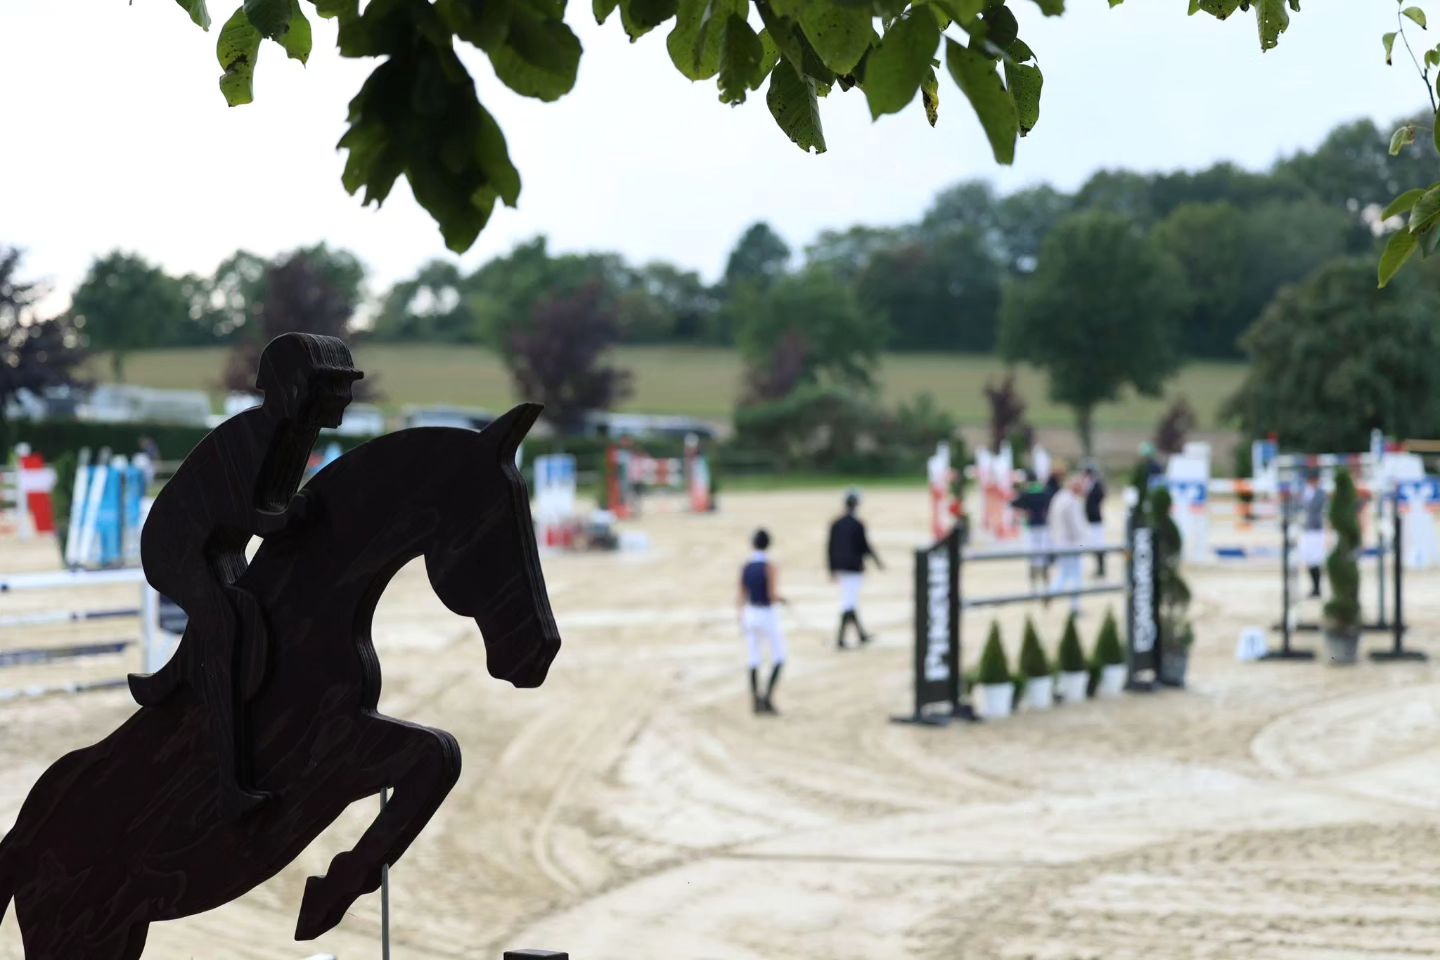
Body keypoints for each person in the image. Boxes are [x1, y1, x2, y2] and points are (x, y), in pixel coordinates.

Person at [126, 333, 362, 820]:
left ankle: (174, 678)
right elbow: (254, 514)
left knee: (252, 607)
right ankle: (229, 780)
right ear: (292, 389)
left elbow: (272, 506)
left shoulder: (296, 433)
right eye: (328, 389)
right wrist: (290, 515)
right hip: (175, 548)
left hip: (217, 543)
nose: (338, 401)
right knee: (227, 625)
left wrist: (295, 513)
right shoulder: (257, 434)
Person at [828, 489, 883, 649]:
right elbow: (865, 546)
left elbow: (830, 547)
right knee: (849, 602)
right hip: (853, 568)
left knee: (850, 600)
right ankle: (840, 638)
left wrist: (832, 568)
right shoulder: (857, 524)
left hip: (840, 567)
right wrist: (877, 562)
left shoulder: (836, 523)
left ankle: (861, 635)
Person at [739, 529, 786, 714]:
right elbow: (772, 595)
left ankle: (755, 700)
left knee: (754, 657)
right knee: (778, 656)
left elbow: (741, 595)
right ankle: (767, 697)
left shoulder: (746, 567)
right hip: (766, 614)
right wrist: (782, 600)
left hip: (750, 613)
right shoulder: (770, 567)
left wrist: (740, 618)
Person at [1048, 468, 1089, 614]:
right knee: (1076, 576)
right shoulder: (1071, 501)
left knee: (1065, 574)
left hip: (1059, 543)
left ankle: (1050, 593)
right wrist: (1083, 544)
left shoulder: (1059, 497)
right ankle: (1075, 607)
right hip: (1071, 545)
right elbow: (1076, 527)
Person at [1010, 470, 1054, 593]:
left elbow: (1013, 504)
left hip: (1031, 528)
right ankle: (1046, 585)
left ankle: (1033, 586)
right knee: (1044, 557)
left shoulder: (1025, 493)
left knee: (1032, 557)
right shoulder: (1045, 491)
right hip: (1044, 527)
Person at [1299, 470, 1328, 598]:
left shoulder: (1320, 493)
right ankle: (1314, 587)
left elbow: (1315, 508)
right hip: (1307, 529)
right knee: (1309, 559)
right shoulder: (1305, 493)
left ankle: (1317, 588)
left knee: (1316, 559)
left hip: (1317, 529)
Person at [1084, 464, 1107, 577]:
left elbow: (1101, 496)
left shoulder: (1096, 485)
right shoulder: (1089, 485)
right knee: (1094, 544)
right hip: (1091, 519)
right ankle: (1098, 567)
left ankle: (1101, 568)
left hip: (1096, 518)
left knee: (1099, 544)